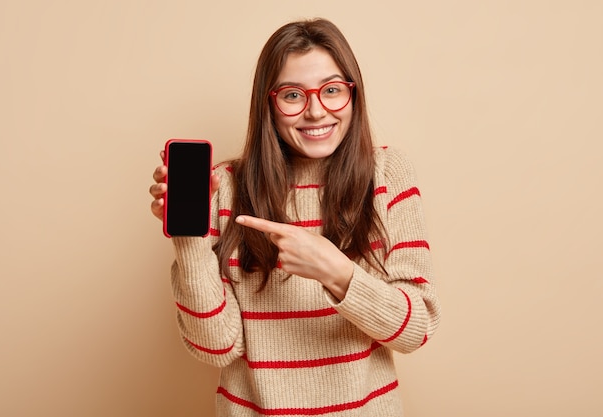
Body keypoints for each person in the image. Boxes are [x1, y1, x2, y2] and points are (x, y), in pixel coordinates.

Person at [149, 18, 440, 417]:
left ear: (353, 94)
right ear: (268, 103)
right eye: (292, 95)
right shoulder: (226, 188)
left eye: (333, 90)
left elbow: (415, 329)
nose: (316, 111)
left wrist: (334, 271)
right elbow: (216, 346)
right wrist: (189, 240)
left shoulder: (388, 174)